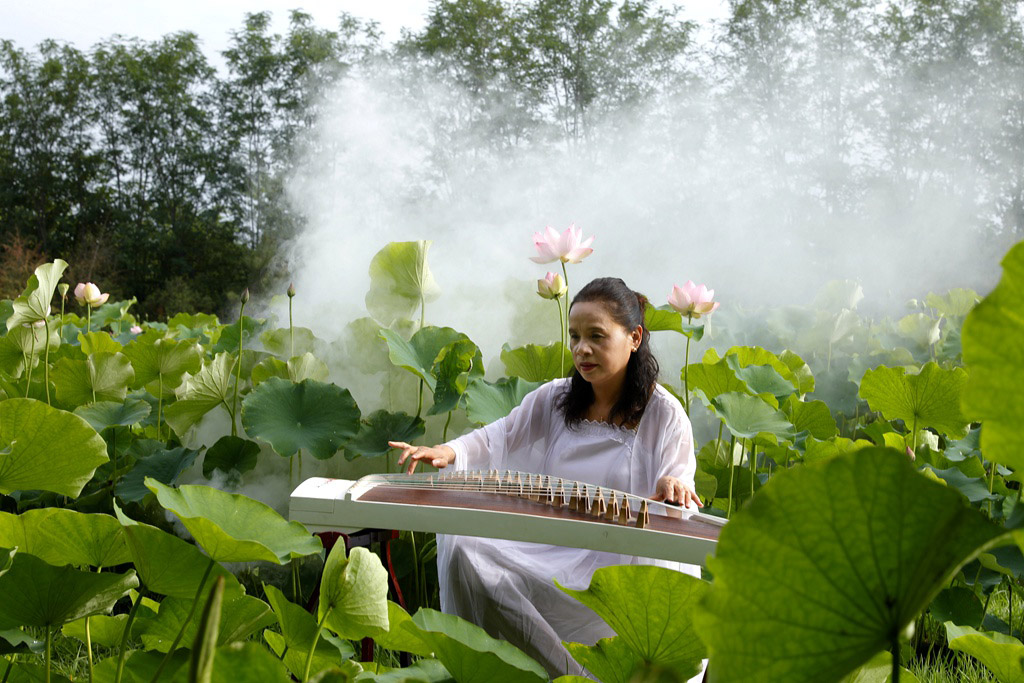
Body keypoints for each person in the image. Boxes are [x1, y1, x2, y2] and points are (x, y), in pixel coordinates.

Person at [389, 277, 705, 680]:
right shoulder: (555, 399)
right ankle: (553, 674)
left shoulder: (663, 412)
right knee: (464, 546)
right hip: (554, 550)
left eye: (596, 336)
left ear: (634, 337)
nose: (581, 349)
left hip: (618, 565)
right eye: (574, 336)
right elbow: (499, 437)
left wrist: (674, 483)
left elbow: (676, 475)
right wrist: (450, 452)